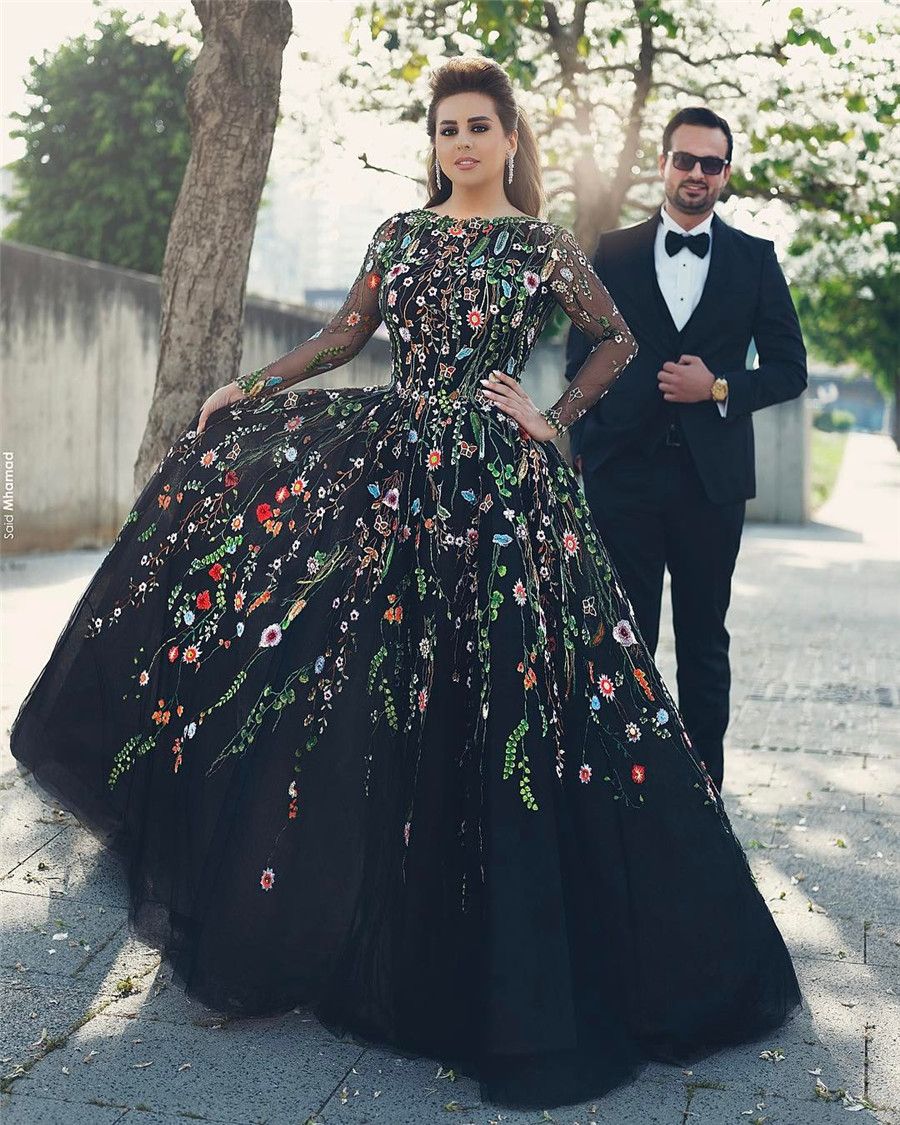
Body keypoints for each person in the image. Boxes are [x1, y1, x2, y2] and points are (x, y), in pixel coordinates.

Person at [10, 62, 802, 1110]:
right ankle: (360, 913)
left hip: (501, 493)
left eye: (479, 126)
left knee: (506, 698)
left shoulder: (540, 245)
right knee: (369, 685)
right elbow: (346, 337)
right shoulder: (399, 234)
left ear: (511, 138)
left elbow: (619, 340)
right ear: (432, 141)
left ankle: (498, 940)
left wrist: (552, 422)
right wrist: (242, 389)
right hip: (398, 480)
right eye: (446, 128)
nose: (462, 142)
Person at [565, 107, 807, 794]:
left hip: (712, 482)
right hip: (623, 478)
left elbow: (791, 369)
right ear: (664, 164)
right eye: (684, 159)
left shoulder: (755, 260)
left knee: (704, 641)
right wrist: (585, 450)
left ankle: (704, 796)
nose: (696, 173)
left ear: (725, 174)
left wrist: (719, 386)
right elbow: (578, 358)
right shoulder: (610, 251)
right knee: (622, 637)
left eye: (711, 163)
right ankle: (625, 787)